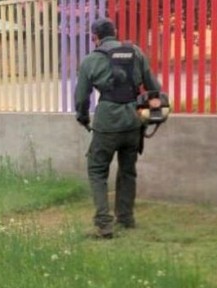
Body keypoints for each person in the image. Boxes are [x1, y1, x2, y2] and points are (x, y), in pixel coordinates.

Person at [75, 17, 162, 238]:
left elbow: (82, 98)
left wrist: (83, 117)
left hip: (107, 124)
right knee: (128, 170)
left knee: (97, 170)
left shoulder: (90, 61)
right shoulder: (136, 53)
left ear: (95, 37)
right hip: (134, 121)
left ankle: (104, 225)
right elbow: (154, 88)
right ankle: (126, 218)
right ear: (115, 32)